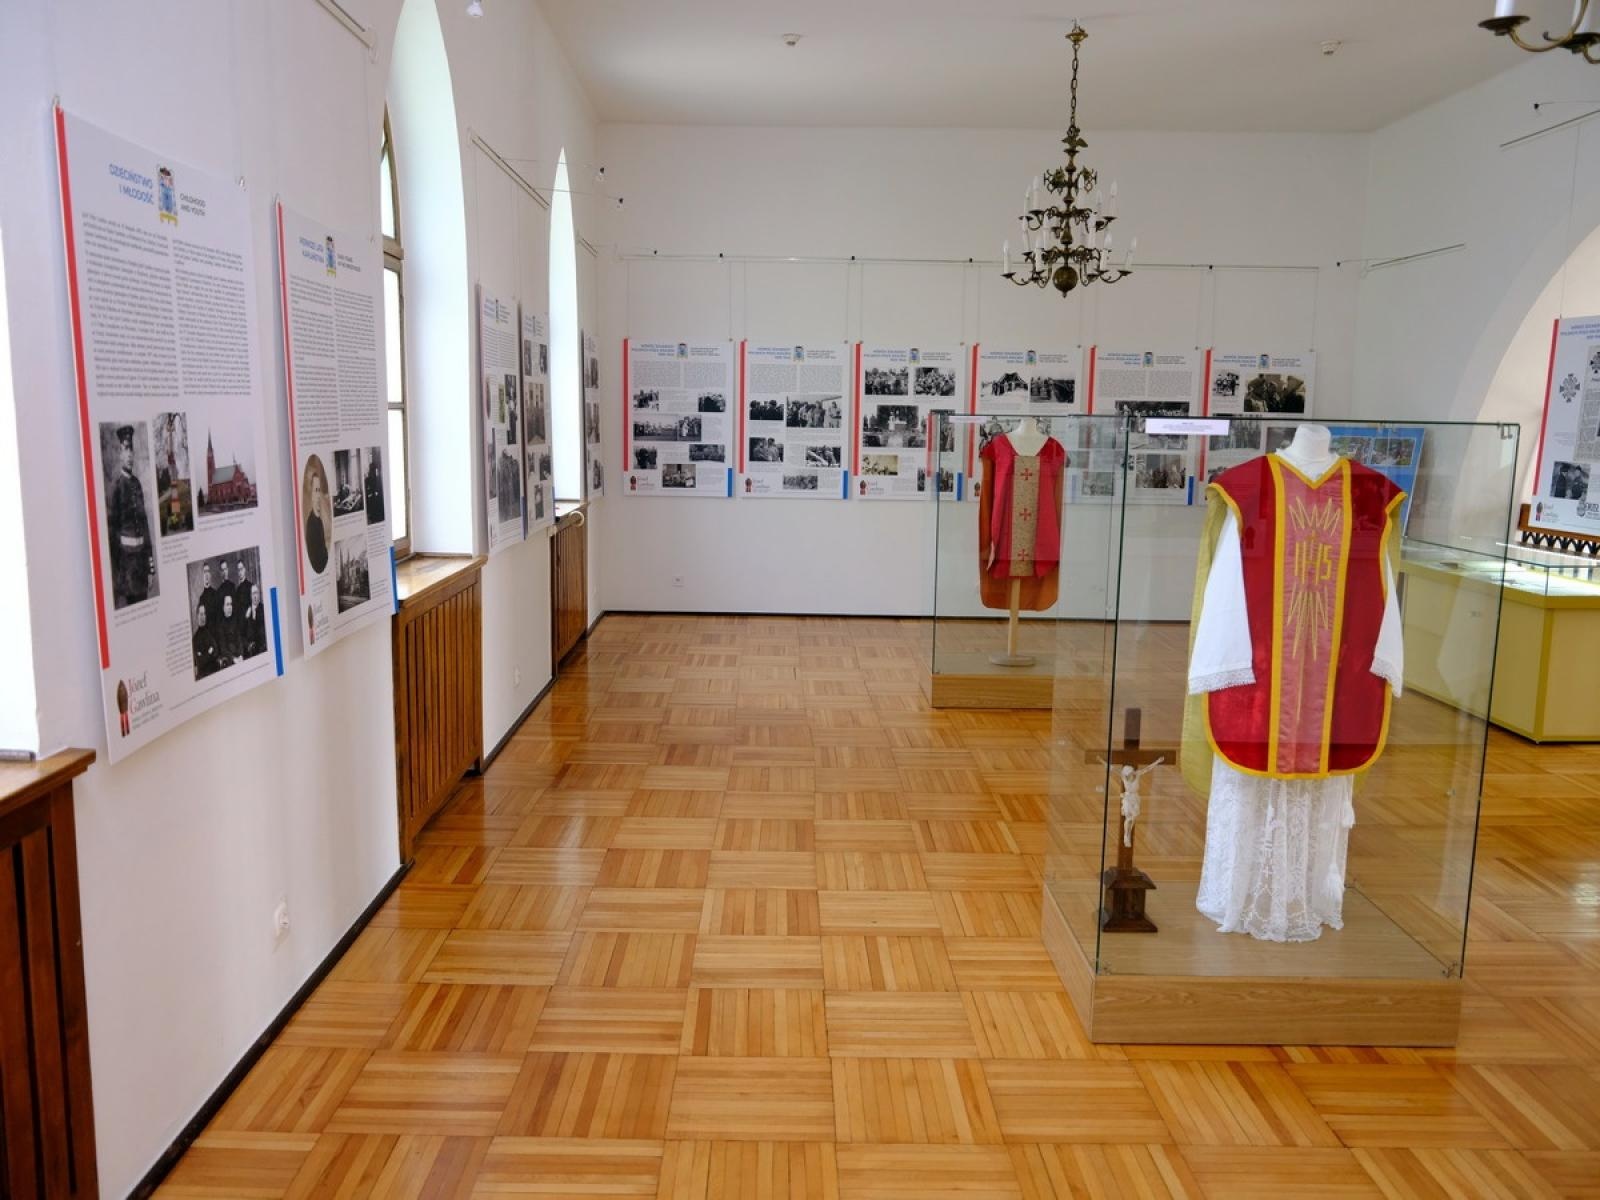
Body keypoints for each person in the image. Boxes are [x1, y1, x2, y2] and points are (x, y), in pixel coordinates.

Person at [107, 425, 154, 607]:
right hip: (126, 568)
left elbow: (145, 527)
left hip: (141, 566)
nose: (129, 455)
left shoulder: (137, 484)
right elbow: (112, 534)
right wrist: (118, 575)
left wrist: (151, 570)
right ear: (120, 454)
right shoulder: (116, 488)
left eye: (131, 450)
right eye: (125, 450)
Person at [305, 469, 329, 573]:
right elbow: (318, 565)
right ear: (311, 495)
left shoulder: (318, 520)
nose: (319, 495)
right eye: (316, 490)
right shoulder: (311, 525)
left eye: (319, 490)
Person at [192, 601, 220, 679]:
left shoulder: (209, 632)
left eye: (204, 614)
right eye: (201, 614)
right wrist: (209, 652)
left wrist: (205, 655)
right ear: (197, 616)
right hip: (204, 675)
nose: (203, 617)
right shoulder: (195, 639)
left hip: (215, 670)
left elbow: (216, 651)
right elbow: (200, 662)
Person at [242, 583, 266, 659]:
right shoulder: (246, 611)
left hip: (262, 649)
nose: (255, 596)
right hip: (249, 650)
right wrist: (248, 645)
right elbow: (242, 634)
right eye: (253, 594)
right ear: (250, 596)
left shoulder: (264, 609)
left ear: (259, 595)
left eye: (256, 593)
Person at [216, 594, 240, 667]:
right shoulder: (220, 626)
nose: (230, 607)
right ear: (223, 608)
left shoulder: (235, 621)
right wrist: (233, 658)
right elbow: (223, 648)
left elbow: (239, 640)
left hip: (239, 657)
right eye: (227, 604)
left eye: (231, 604)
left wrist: (241, 655)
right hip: (229, 659)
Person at [197, 562, 220, 630]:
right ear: (202, 575)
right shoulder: (202, 598)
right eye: (204, 572)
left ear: (210, 575)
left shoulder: (216, 594)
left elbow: (219, 617)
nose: (206, 574)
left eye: (208, 571)